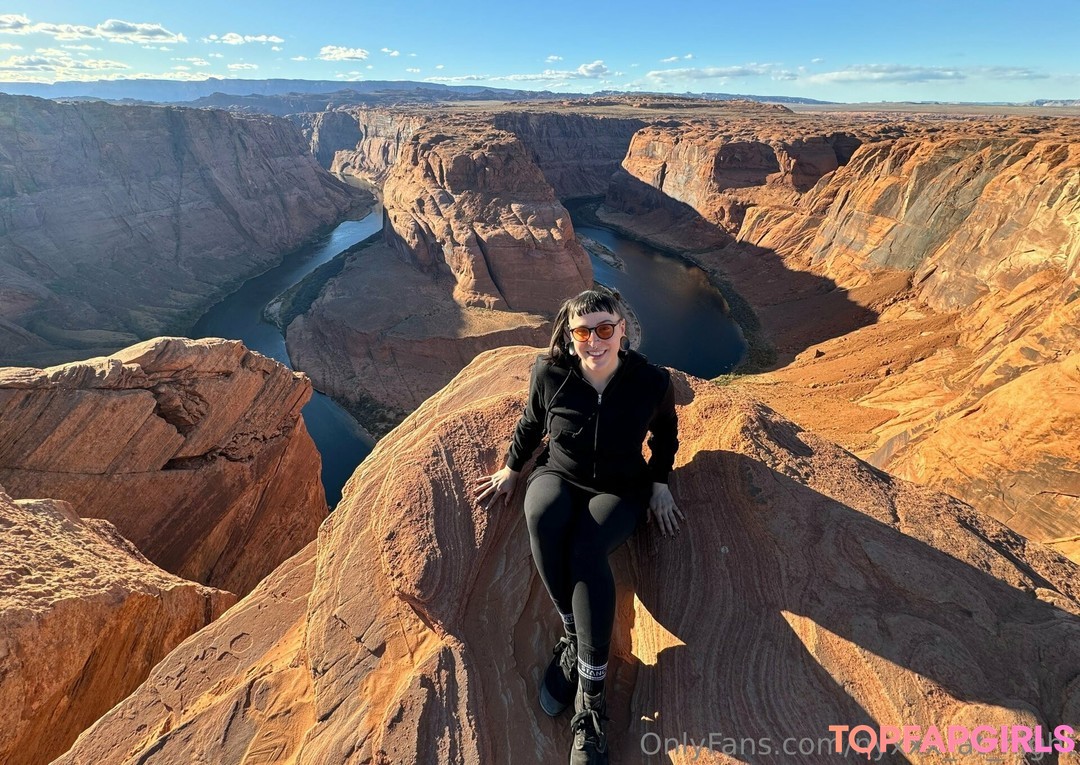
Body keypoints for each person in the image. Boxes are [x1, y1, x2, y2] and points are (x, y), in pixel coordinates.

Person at [476, 285, 682, 765]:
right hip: (560, 474)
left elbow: (666, 433)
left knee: (586, 549)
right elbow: (532, 422)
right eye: (583, 332)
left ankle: (591, 707)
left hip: (619, 488)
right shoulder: (550, 372)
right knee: (541, 514)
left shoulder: (650, 381)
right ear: (570, 337)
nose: (595, 341)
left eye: (605, 329)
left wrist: (659, 482)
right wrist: (512, 467)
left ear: (622, 330)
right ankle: (572, 634)